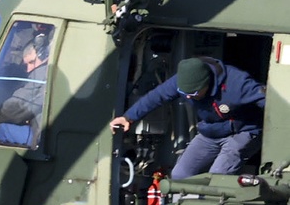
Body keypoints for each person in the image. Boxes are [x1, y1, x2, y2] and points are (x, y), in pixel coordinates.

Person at [110, 56, 266, 180]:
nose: (190, 97)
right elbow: (156, 97)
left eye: (194, 94)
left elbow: (271, 103)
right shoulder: (182, 81)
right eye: (186, 94)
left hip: (244, 131)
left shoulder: (238, 84)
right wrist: (129, 117)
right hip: (211, 131)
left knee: (218, 177)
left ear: (207, 82)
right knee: (180, 176)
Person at [0, 34, 50, 147]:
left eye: (31, 62)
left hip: (42, 140)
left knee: (1, 131)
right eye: (26, 65)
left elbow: (17, 107)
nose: (29, 69)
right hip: (44, 133)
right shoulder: (47, 72)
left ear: (44, 55)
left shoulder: (42, 74)